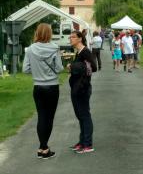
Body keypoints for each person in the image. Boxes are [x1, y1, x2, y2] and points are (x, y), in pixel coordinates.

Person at [23, 23, 64, 159]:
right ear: (49, 34)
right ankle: (44, 148)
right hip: (52, 86)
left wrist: (37, 70)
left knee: (41, 117)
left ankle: (43, 148)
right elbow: (58, 69)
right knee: (49, 118)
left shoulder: (30, 49)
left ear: (37, 33)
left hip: (38, 87)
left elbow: (25, 69)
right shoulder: (55, 48)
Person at [68, 30, 97, 153]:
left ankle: (87, 144)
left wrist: (73, 67)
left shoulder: (85, 52)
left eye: (73, 37)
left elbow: (94, 67)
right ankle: (82, 141)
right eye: (70, 37)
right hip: (76, 88)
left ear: (80, 39)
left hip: (83, 88)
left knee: (84, 115)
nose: (70, 39)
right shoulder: (78, 52)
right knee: (80, 116)